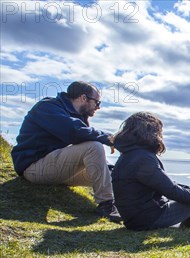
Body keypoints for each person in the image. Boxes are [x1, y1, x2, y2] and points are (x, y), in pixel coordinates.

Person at [11, 81, 121, 222]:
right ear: (83, 98)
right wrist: (108, 138)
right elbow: (73, 132)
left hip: (56, 170)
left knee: (114, 176)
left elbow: (83, 142)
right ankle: (106, 205)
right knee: (94, 146)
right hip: (33, 167)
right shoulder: (48, 107)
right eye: (97, 102)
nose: (98, 107)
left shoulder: (77, 116)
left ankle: (125, 205)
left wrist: (112, 169)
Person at [111, 112, 190, 231]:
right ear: (152, 132)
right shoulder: (143, 159)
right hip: (145, 219)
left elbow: (164, 183)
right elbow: (171, 191)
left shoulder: (131, 154)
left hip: (135, 217)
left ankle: (186, 232)